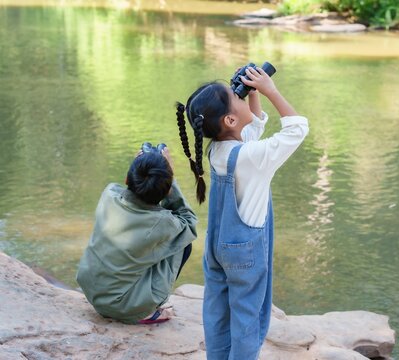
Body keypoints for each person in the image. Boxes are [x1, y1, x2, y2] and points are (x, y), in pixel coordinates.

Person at [175, 66, 309, 359]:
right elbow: (298, 128)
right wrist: (270, 90)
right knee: (248, 320)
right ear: (230, 119)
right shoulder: (250, 157)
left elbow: (250, 130)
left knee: (218, 314)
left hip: (218, 247)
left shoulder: (217, 151)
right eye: (236, 97)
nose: (242, 97)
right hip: (246, 254)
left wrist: (252, 94)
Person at [76, 146, 197, 325]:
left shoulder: (109, 194)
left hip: (91, 291)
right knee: (184, 242)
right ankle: (146, 312)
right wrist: (171, 178)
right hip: (120, 307)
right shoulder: (163, 222)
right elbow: (190, 223)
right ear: (167, 191)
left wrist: (138, 166)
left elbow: (126, 191)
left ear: (127, 178)